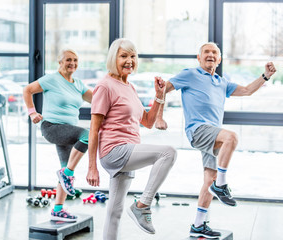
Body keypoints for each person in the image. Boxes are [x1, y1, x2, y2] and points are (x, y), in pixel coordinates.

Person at [155, 42, 277, 238]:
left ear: (219, 59)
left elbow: (246, 90)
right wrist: (159, 117)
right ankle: (221, 185)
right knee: (232, 137)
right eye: (206, 52)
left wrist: (265, 76)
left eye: (214, 53)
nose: (210, 55)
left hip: (213, 135)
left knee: (209, 179)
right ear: (199, 57)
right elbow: (163, 89)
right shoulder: (190, 74)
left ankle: (198, 225)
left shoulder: (221, 82)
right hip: (197, 130)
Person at [86, 38, 177, 240]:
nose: (129, 60)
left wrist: (159, 95)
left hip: (128, 150)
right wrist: (91, 166)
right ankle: (142, 206)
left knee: (114, 211)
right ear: (113, 58)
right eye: (124, 56)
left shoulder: (129, 87)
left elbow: (148, 121)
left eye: (133, 56)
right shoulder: (105, 86)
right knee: (168, 152)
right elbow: (94, 129)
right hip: (115, 151)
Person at [23, 48, 92, 222]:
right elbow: (27, 90)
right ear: (60, 62)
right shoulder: (51, 79)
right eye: (68, 60)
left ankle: (58, 209)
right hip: (52, 128)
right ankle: (66, 173)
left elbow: (98, 100)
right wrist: (32, 113)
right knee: (88, 135)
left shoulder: (78, 84)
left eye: (75, 60)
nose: (72, 63)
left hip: (69, 131)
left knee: (66, 168)